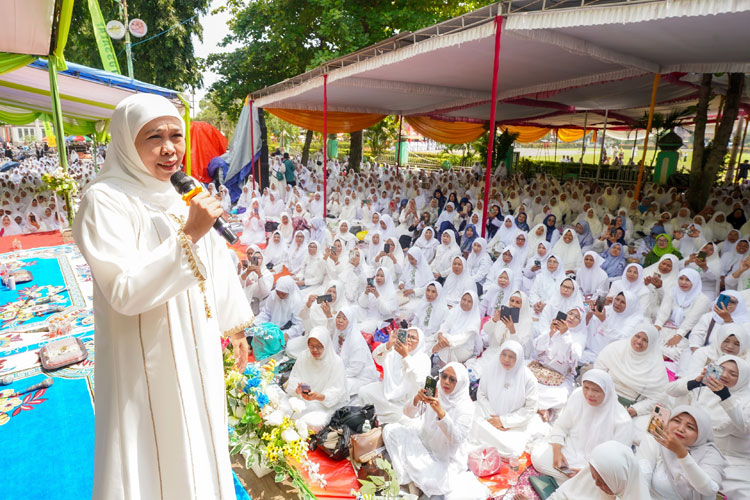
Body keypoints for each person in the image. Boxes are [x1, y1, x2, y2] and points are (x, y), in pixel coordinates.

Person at [72, 94, 252, 498]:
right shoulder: (104, 202)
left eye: (175, 135)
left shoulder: (182, 191)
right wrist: (188, 233)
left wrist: (234, 326)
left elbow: (215, 258)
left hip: (198, 348)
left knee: (202, 435)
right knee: (156, 448)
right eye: (153, 137)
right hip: (145, 356)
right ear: (125, 143)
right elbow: (122, 290)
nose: (169, 148)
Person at [382, 363, 490, 499]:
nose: (446, 382)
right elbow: (408, 414)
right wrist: (416, 399)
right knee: (390, 430)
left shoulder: (466, 407)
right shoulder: (436, 389)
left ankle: (413, 478)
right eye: (444, 376)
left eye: (452, 379)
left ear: (461, 383)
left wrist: (441, 413)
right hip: (423, 442)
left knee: (439, 484)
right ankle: (407, 478)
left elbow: (456, 438)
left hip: (445, 459)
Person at [531, 369, 633, 484]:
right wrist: (557, 451)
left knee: (599, 485)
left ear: (607, 392)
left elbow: (616, 461)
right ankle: (573, 484)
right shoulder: (578, 395)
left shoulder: (622, 420)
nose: (589, 394)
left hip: (597, 469)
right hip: (569, 452)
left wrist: (588, 473)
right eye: (586, 388)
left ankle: (575, 483)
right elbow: (561, 426)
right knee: (538, 459)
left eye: (596, 390)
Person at [636, 405, 727, 500]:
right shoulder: (656, 440)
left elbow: (709, 489)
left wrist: (682, 454)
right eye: (677, 421)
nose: (680, 429)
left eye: (690, 427)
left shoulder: (710, 454)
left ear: (701, 434)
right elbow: (641, 480)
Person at [471, 340, 542, 458]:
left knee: (511, 449)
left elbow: (530, 408)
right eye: (503, 355)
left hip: (513, 423)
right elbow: (482, 394)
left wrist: (504, 421)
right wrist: (493, 417)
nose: (506, 359)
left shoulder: (529, 379)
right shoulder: (490, 369)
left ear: (518, 359)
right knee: (469, 416)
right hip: (488, 414)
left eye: (511, 357)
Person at [595, 323, 668, 435]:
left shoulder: (656, 366)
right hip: (603, 398)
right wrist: (602, 398)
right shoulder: (615, 349)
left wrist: (635, 410)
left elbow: (659, 398)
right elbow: (598, 375)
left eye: (645, 340)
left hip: (630, 409)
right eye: (637, 336)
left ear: (652, 343)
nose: (639, 342)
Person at [359, 327, 431, 424]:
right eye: (407, 336)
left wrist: (406, 356)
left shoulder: (423, 358)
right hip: (387, 391)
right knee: (364, 392)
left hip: (406, 400)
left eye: (413, 338)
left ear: (419, 342)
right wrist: (388, 345)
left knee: (400, 417)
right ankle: (371, 419)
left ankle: (384, 418)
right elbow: (376, 357)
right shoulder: (394, 350)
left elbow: (420, 380)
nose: (409, 339)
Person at [534, 441, 650, 500]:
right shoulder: (594, 473)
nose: (596, 484)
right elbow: (561, 495)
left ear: (619, 480)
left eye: (603, 482)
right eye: (594, 477)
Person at [284, 327, 347, 431]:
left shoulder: (336, 362)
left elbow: (336, 390)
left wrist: (320, 396)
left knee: (310, 423)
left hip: (323, 404)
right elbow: (295, 377)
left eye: (319, 346)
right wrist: (298, 389)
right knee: (282, 410)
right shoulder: (304, 356)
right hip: (302, 398)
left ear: (326, 345)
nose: (314, 350)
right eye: (311, 346)